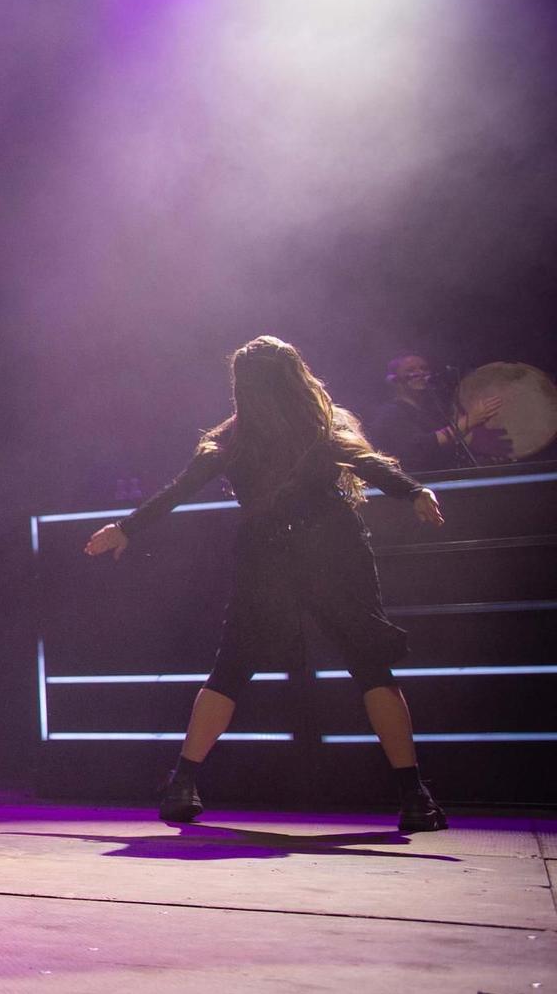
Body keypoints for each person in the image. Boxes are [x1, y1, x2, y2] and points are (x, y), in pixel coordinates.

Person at [83, 336, 449, 833]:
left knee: (232, 669)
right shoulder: (317, 427)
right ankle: (414, 794)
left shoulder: (238, 439)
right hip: (329, 552)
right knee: (369, 667)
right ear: (297, 375)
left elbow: (178, 490)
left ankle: (183, 784)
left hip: (278, 554)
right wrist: (413, 491)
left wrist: (124, 528)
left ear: (243, 388)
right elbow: (366, 463)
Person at [368, 352, 500, 474]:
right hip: (420, 483)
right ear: (394, 380)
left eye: (424, 368)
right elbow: (419, 446)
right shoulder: (391, 413)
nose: (420, 373)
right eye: (410, 370)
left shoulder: (434, 410)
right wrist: (470, 420)